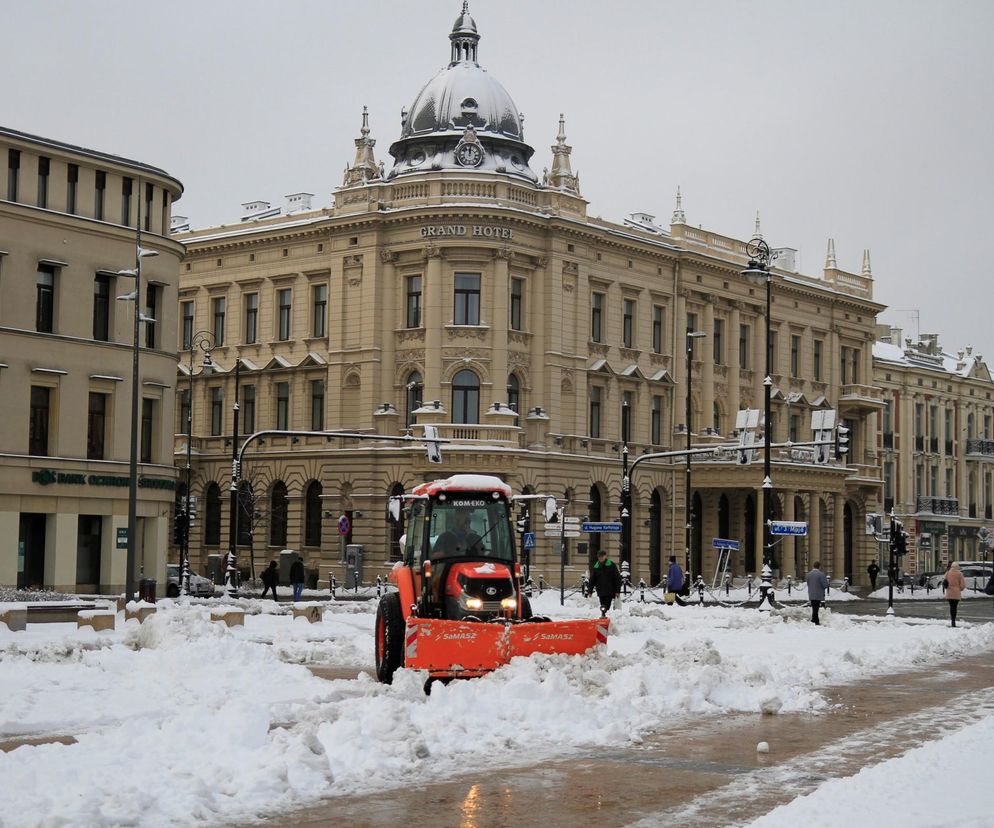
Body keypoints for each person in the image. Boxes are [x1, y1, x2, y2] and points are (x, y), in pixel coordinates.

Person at [589, 549, 622, 617]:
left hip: (610, 590)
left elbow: (617, 578)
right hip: (600, 590)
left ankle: (604, 614)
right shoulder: (596, 566)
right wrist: (590, 591)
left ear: (605, 556)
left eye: (602, 556)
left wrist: (617, 591)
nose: (600, 558)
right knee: (602, 605)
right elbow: (592, 579)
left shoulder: (611, 565)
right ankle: (603, 615)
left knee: (607, 605)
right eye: (599, 556)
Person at [805, 561, 829, 625]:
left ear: (813, 566)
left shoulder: (808, 574)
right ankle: (815, 620)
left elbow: (808, 583)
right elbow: (825, 585)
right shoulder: (821, 574)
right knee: (816, 607)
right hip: (818, 593)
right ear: (819, 566)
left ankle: (814, 619)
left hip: (811, 593)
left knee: (814, 606)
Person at [945, 561, 966, 627]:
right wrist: (960, 588)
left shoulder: (947, 573)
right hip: (956, 593)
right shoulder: (959, 574)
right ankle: (953, 621)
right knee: (955, 607)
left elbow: (945, 582)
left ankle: (952, 620)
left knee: (951, 607)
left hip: (949, 592)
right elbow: (963, 585)